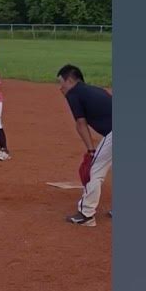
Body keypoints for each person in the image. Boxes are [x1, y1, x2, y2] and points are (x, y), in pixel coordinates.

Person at [57, 64, 113, 226]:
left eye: (62, 83)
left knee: (95, 171)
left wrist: (91, 150)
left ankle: (86, 214)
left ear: (70, 80)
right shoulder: (94, 90)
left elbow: (81, 123)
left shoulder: (73, 93)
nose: (61, 88)